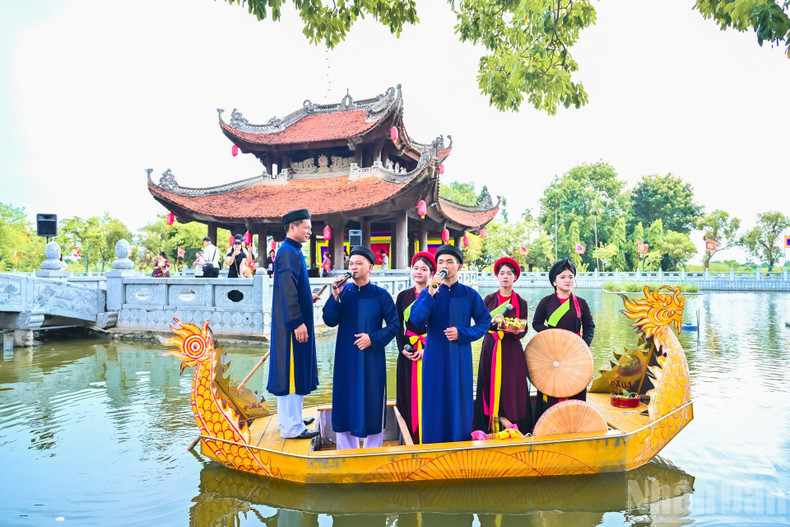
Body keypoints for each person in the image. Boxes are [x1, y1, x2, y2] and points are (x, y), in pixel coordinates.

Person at [409, 244, 491, 444]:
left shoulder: (469, 294)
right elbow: (417, 320)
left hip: (459, 356)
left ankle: (459, 443)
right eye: (440, 262)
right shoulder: (429, 292)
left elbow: (484, 322)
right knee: (433, 398)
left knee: (459, 399)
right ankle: (432, 445)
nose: (444, 265)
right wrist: (430, 294)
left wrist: (463, 332)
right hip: (434, 355)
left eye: (449, 262)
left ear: (459, 266)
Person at [322, 245, 399, 449]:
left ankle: (373, 449)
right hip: (345, 357)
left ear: (370, 267)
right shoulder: (343, 292)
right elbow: (329, 320)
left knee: (372, 398)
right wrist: (334, 296)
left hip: (371, 359)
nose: (353, 267)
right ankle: (346, 450)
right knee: (345, 398)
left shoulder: (381, 295)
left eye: (358, 263)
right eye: (351, 263)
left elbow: (395, 325)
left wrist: (372, 339)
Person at [267, 209, 321, 440]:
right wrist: (297, 322)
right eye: (306, 227)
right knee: (290, 373)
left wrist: (309, 298)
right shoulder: (288, 252)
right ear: (292, 227)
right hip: (291, 326)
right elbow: (287, 292)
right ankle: (291, 428)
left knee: (295, 371)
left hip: (292, 322)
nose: (310, 231)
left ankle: (292, 418)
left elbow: (295, 288)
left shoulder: (292, 251)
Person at [472, 257, 532, 435]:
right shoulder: (489, 299)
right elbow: (481, 325)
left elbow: (524, 328)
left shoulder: (521, 302)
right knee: (488, 381)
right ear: (497, 277)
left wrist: (516, 329)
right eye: (502, 273)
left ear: (515, 277)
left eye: (509, 273)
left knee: (513, 384)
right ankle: (488, 423)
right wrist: (492, 322)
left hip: (511, 349)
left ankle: (514, 424)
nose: (505, 276)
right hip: (491, 346)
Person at [531, 258, 596, 422]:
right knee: (550, 390)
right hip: (551, 354)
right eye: (562, 277)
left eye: (570, 277)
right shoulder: (546, 302)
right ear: (554, 281)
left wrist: (583, 345)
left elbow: (589, 326)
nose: (567, 280)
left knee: (575, 389)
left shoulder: (581, 303)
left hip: (574, 355)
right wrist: (552, 335)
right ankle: (548, 424)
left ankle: (574, 425)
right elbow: (536, 323)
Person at [395, 251, 435, 444]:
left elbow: (442, 327)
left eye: (424, 269)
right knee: (407, 394)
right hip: (408, 352)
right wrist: (402, 348)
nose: (419, 272)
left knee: (431, 393)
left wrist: (427, 349)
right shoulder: (403, 296)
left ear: (432, 273)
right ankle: (409, 435)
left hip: (431, 352)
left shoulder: (437, 295)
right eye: (416, 268)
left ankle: (429, 436)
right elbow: (398, 327)